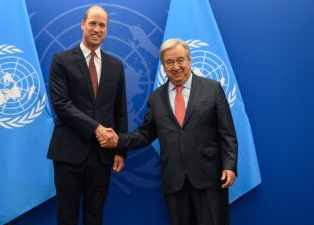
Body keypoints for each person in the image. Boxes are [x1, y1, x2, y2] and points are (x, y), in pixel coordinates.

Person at [98, 38, 237, 225]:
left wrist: (229, 165)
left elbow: (227, 132)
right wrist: (118, 140)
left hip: (209, 178)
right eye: (169, 62)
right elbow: (145, 134)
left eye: (180, 60)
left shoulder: (212, 89)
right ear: (163, 66)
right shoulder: (156, 98)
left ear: (189, 61)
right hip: (175, 180)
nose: (176, 66)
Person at [47, 6, 128, 225]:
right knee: (67, 216)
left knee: (95, 215)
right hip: (68, 152)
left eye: (102, 25)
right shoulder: (61, 60)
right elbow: (61, 104)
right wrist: (96, 128)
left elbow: (120, 110)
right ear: (82, 24)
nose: (97, 29)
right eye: (93, 23)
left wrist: (120, 150)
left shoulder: (116, 66)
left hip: (102, 155)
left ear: (107, 30)